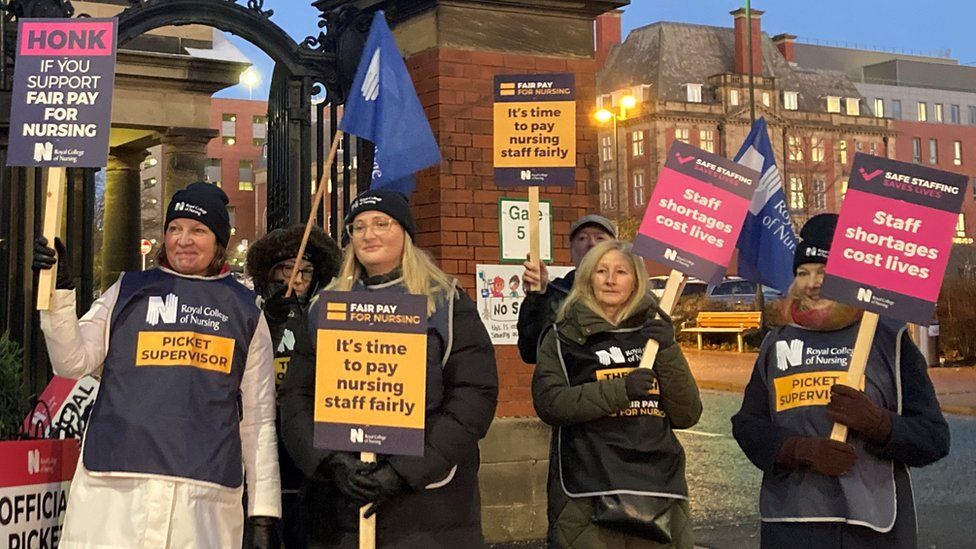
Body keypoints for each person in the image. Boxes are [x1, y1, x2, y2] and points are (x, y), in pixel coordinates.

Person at [33, 182, 281, 548]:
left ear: (218, 241)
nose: (184, 239)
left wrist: (264, 512)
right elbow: (71, 362)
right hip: (115, 489)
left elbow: (259, 420)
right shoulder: (128, 290)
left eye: (198, 230)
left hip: (202, 498)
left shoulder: (244, 310)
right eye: (175, 228)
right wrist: (59, 292)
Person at [279, 189, 499, 548]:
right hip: (340, 507)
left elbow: (473, 398)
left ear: (406, 233)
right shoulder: (325, 306)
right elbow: (296, 396)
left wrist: (402, 472)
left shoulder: (445, 301)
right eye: (359, 226)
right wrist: (329, 463)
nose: (369, 234)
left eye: (382, 223)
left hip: (429, 511)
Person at [731, 213, 950, 549]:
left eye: (825, 271)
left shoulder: (888, 339)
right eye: (803, 272)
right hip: (793, 527)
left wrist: (879, 424)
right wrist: (797, 449)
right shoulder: (778, 342)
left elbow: (934, 438)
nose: (812, 282)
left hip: (873, 531)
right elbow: (748, 426)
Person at [532, 240, 702, 548]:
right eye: (601, 271)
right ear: (587, 278)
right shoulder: (562, 337)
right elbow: (551, 403)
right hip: (587, 491)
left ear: (636, 280)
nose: (611, 280)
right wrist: (620, 389)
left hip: (658, 489)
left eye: (621, 271)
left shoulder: (654, 333)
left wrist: (668, 348)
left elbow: (687, 413)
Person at [245, 224, 342, 548]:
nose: (296, 280)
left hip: (305, 438)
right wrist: (268, 322)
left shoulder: (324, 313)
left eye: (306, 272)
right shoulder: (248, 308)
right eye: (287, 270)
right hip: (261, 437)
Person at [517, 214, 616, 364]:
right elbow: (531, 351)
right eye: (582, 238)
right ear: (571, 250)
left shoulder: (633, 295)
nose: (591, 244)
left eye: (600, 238)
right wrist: (538, 296)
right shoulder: (556, 294)